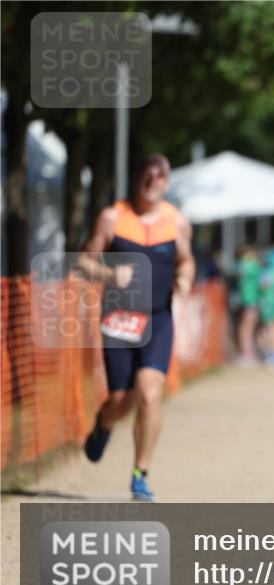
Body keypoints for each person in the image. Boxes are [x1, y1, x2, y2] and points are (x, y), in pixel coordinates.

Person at [80, 154, 195, 501]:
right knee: (122, 401)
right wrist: (109, 273)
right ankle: (104, 423)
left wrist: (185, 279)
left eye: (160, 176)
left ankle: (140, 474)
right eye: (147, 174)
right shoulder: (113, 217)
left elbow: (186, 260)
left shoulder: (177, 222)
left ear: (167, 182)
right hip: (119, 319)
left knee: (149, 393)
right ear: (137, 178)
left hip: (158, 318)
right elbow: (85, 260)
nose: (152, 181)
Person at [236, 246, 262, 364]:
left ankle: (247, 354)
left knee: (245, 329)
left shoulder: (248, 266)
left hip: (250, 302)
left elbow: (239, 271)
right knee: (250, 329)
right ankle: (252, 353)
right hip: (254, 301)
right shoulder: (256, 267)